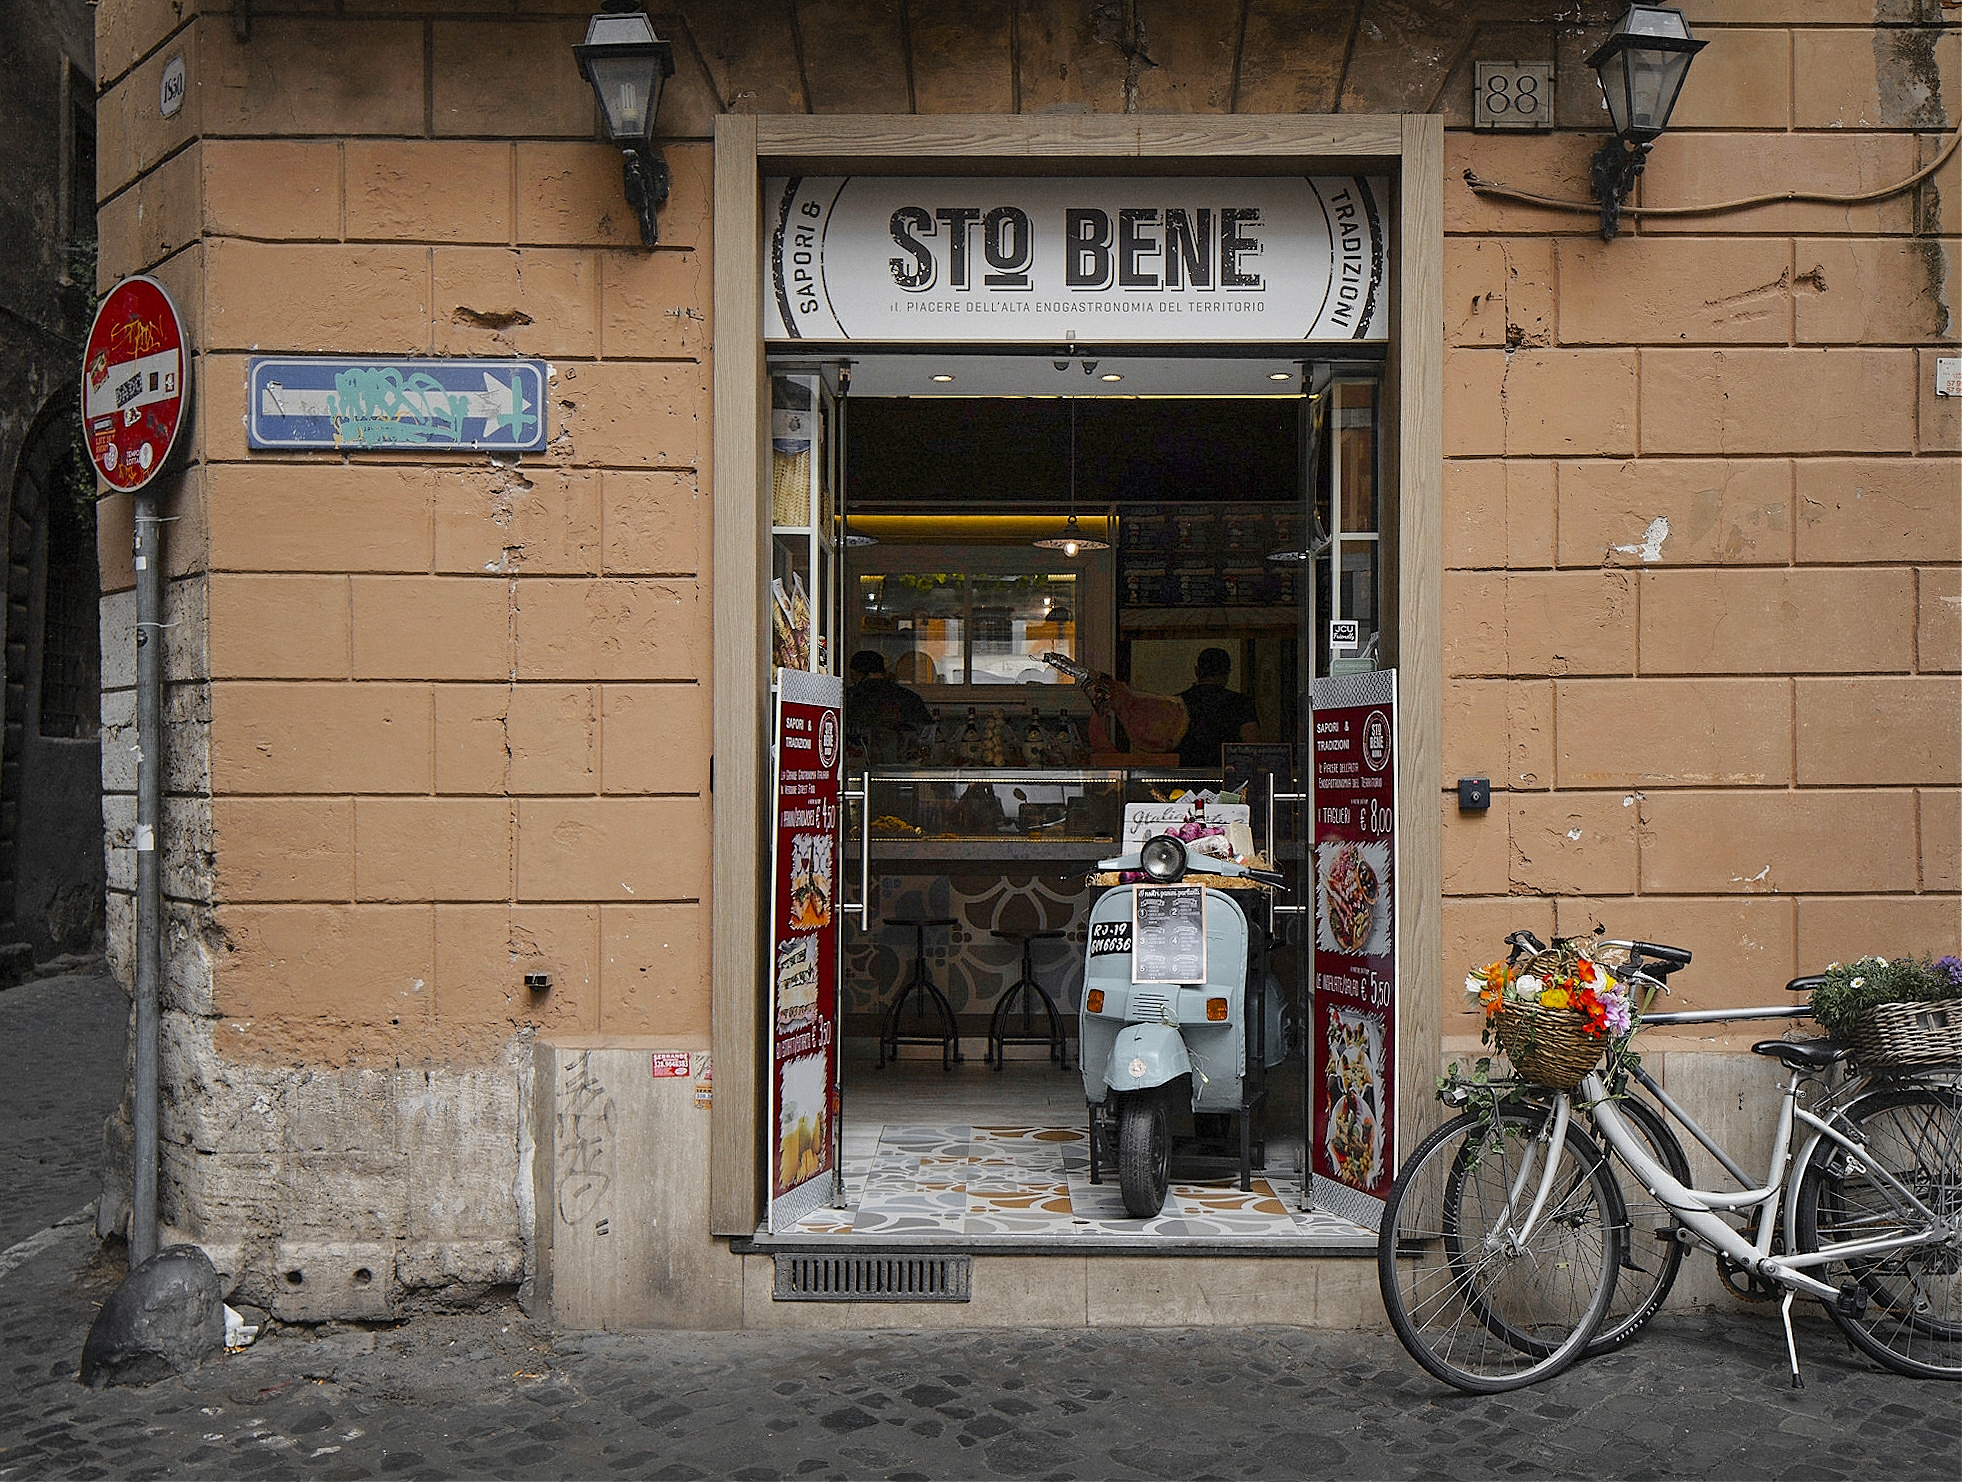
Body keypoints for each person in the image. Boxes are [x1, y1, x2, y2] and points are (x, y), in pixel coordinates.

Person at [1175, 647, 1259, 769]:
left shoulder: (1178, 702)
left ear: (1197, 671)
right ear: (1227, 673)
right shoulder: (1240, 702)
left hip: (1186, 776)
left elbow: (1162, 744)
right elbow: (1253, 744)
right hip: (1227, 775)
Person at [846, 650, 934, 763]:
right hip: (906, 768)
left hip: (861, 768)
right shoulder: (909, 697)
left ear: (856, 673)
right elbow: (927, 734)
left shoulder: (850, 698)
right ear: (883, 671)